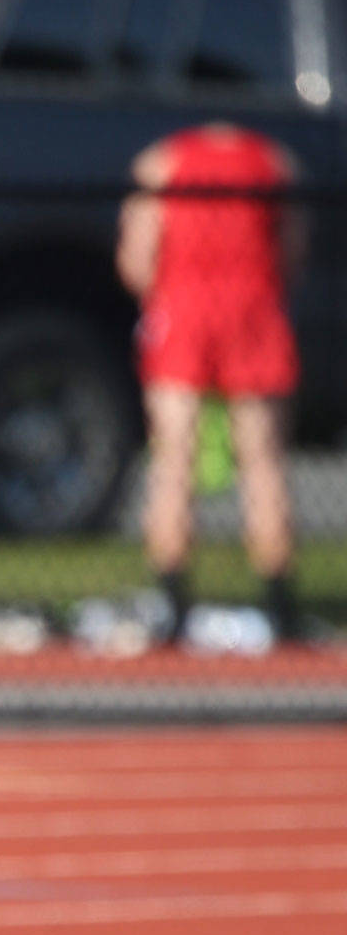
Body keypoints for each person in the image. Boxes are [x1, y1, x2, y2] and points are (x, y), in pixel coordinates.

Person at [115, 121, 305, 643]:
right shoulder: (276, 162)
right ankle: (280, 606)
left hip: (184, 307)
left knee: (172, 459)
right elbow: (291, 250)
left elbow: (137, 256)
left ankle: (173, 602)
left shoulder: (161, 162)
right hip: (253, 308)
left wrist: (161, 297)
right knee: (263, 461)